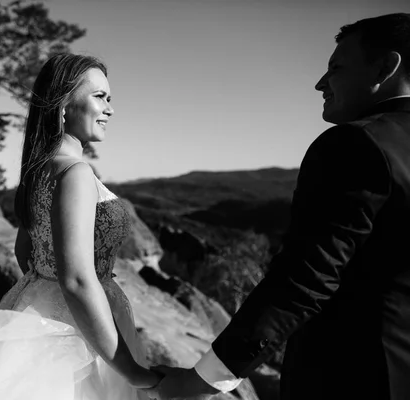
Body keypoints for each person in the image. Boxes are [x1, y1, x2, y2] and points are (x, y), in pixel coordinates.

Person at [150, 12, 410, 400]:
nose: (321, 82)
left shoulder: (355, 144)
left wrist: (202, 379)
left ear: (386, 67)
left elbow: (305, 280)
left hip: (352, 375)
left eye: (336, 67)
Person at [0, 53, 161, 399]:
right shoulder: (74, 173)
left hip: (35, 310)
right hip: (82, 331)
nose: (110, 108)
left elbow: (26, 252)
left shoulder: (39, 170)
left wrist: (45, 296)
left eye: (110, 98)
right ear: (63, 104)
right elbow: (78, 280)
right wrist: (133, 373)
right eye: (99, 97)